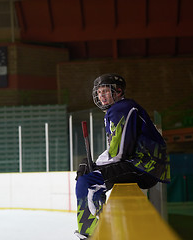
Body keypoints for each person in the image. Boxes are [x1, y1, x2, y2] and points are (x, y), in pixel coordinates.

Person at [74, 73, 170, 239]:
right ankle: (96, 221)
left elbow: (119, 153)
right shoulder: (119, 109)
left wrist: (96, 166)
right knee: (88, 171)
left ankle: (90, 233)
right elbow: (118, 151)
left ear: (118, 92)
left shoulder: (122, 108)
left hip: (143, 166)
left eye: (105, 91)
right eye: (99, 92)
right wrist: (95, 165)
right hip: (141, 165)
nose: (101, 96)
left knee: (86, 181)